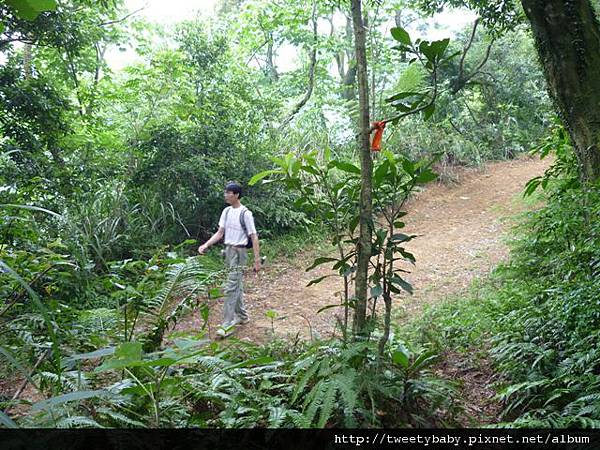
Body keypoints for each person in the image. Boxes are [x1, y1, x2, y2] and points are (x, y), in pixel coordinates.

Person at [198, 182, 261, 338]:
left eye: (229, 193)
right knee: (236, 284)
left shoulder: (245, 213)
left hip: (240, 252)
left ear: (237, 195)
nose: (226, 195)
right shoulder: (226, 211)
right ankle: (242, 316)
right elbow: (220, 233)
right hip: (228, 251)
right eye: (225, 192)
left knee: (230, 287)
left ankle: (226, 324)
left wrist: (257, 259)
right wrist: (206, 244)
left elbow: (254, 236)